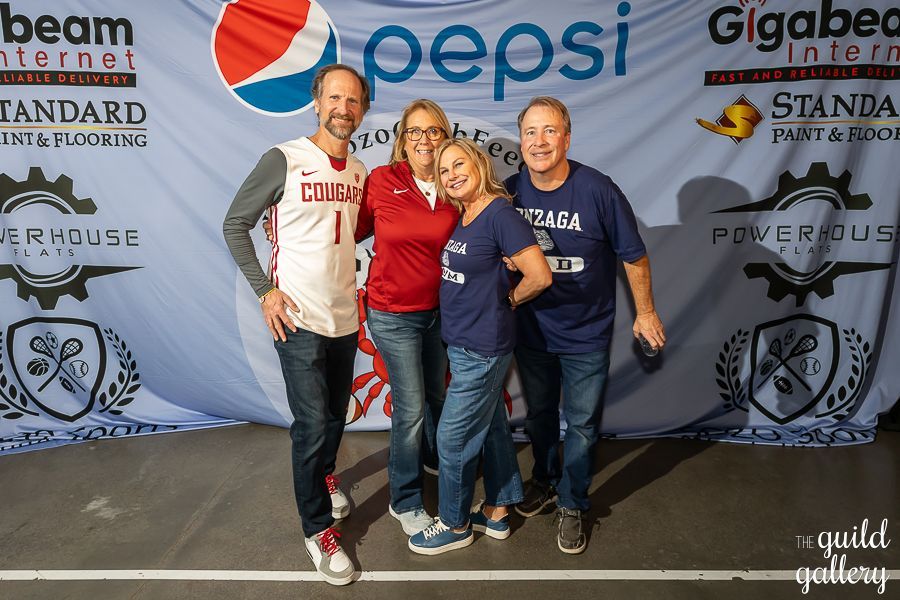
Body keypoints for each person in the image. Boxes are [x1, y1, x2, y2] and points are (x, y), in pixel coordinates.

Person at [222, 64, 370, 586]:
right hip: (299, 318)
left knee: (332, 418)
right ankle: (316, 532)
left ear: (363, 110)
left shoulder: (359, 171)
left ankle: (326, 476)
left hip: (345, 317)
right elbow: (234, 224)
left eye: (353, 101)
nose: (343, 109)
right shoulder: (284, 158)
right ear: (317, 102)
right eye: (335, 98)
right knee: (309, 426)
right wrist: (266, 291)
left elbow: (358, 237)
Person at [505, 97, 666, 555]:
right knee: (537, 416)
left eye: (549, 131)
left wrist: (647, 312)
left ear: (567, 138)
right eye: (531, 132)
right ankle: (544, 480)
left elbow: (633, 255)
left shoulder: (598, 189)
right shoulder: (509, 191)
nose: (539, 141)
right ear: (521, 141)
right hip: (531, 331)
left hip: (585, 334)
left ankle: (574, 502)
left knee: (581, 425)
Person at [408, 138, 552, 555]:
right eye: (444, 170)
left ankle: (454, 524)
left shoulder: (500, 214)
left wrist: (508, 300)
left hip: (483, 349)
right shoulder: (468, 215)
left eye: (458, 164)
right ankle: (497, 511)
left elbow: (539, 275)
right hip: (464, 344)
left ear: (478, 163)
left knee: (452, 439)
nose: (451, 174)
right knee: (491, 428)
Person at [354, 100, 460, 535]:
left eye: (433, 131)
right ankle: (406, 500)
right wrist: (283, 224)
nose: (424, 140)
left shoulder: (457, 182)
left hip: (442, 313)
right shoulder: (382, 181)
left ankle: (433, 461)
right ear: (402, 140)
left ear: (445, 138)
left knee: (437, 395)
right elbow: (346, 230)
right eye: (414, 132)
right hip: (392, 313)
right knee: (411, 408)